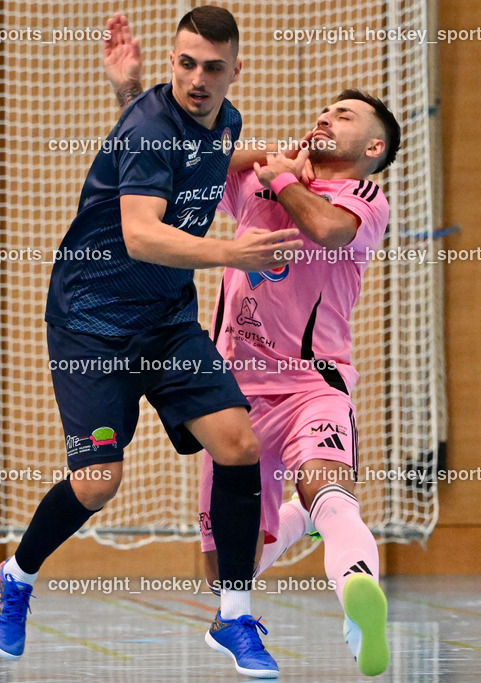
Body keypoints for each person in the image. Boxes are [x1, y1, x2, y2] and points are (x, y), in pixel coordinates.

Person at [0, 7, 305, 677]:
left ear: (234, 72)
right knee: (98, 480)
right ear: (172, 61)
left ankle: (234, 614)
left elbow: (210, 153)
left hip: (163, 321)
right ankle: (15, 577)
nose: (196, 77)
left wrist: (285, 160)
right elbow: (140, 234)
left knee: (239, 444)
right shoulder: (152, 125)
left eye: (212, 67)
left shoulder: (227, 121)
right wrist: (231, 251)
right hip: (91, 323)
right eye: (185, 63)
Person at [104, 13, 400, 677]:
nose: (328, 117)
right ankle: (287, 544)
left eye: (346, 116)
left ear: (374, 147)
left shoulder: (363, 196)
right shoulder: (259, 179)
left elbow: (325, 230)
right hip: (234, 394)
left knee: (330, 485)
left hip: (311, 383)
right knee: (223, 565)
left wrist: (283, 174)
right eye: (326, 109)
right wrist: (129, 94)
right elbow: (175, 159)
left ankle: (360, 594)